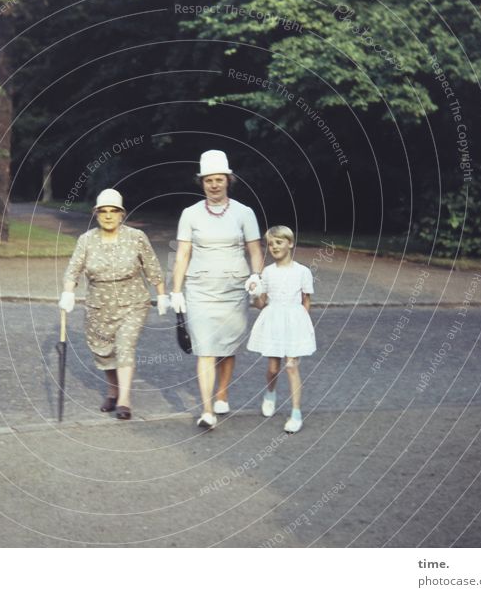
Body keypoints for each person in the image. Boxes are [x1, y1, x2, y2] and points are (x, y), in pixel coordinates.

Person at [170, 150, 264, 429]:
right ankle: (207, 410)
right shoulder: (190, 214)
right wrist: (176, 290)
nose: (214, 184)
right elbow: (182, 254)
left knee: (227, 344)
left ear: (228, 180)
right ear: (201, 182)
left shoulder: (244, 213)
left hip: (234, 287)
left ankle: (222, 392)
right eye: (208, 180)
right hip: (200, 288)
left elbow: (255, 249)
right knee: (205, 348)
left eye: (219, 179)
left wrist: (257, 277)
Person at [59, 188, 168, 420]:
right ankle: (112, 392)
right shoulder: (86, 240)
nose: (108, 215)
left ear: (122, 214)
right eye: (103, 211)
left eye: (113, 211)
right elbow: (73, 270)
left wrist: (162, 293)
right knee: (104, 351)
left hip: (133, 303)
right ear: (96, 214)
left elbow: (152, 265)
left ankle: (124, 400)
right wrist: (68, 293)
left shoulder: (136, 237)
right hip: (99, 306)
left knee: (124, 346)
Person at [247, 226, 316, 433]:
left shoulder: (303, 271)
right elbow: (261, 304)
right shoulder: (267, 272)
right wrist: (255, 293)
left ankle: (296, 413)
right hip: (274, 320)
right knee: (273, 368)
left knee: (292, 366)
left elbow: (306, 301)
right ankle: (270, 392)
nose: (274, 247)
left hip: (294, 322)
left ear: (290, 244)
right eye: (270, 244)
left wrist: (302, 325)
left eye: (279, 242)